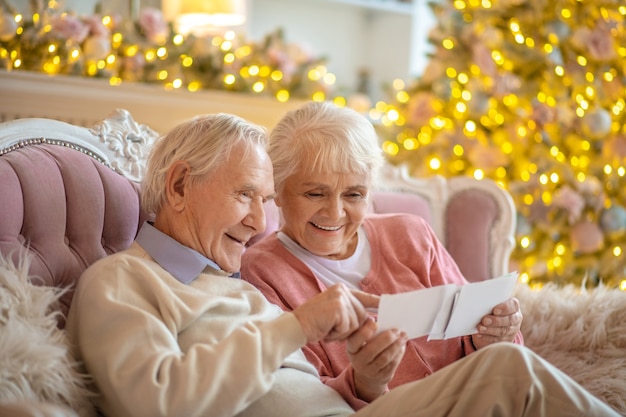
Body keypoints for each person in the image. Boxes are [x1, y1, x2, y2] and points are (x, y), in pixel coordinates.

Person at [65, 112, 619, 417]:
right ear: (181, 185)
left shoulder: (226, 284)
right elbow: (156, 402)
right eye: (246, 197)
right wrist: (301, 325)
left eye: (265, 200)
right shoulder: (122, 281)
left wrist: (363, 377)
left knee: (505, 368)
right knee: (507, 374)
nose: (261, 221)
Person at [240, 100, 524, 408]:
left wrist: (492, 335)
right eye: (315, 193)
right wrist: (364, 383)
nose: (335, 212)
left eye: (353, 194)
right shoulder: (260, 272)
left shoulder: (411, 234)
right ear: (277, 191)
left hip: (477, 399)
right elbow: (298, 397)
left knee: (529, 379)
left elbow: (480, 335)